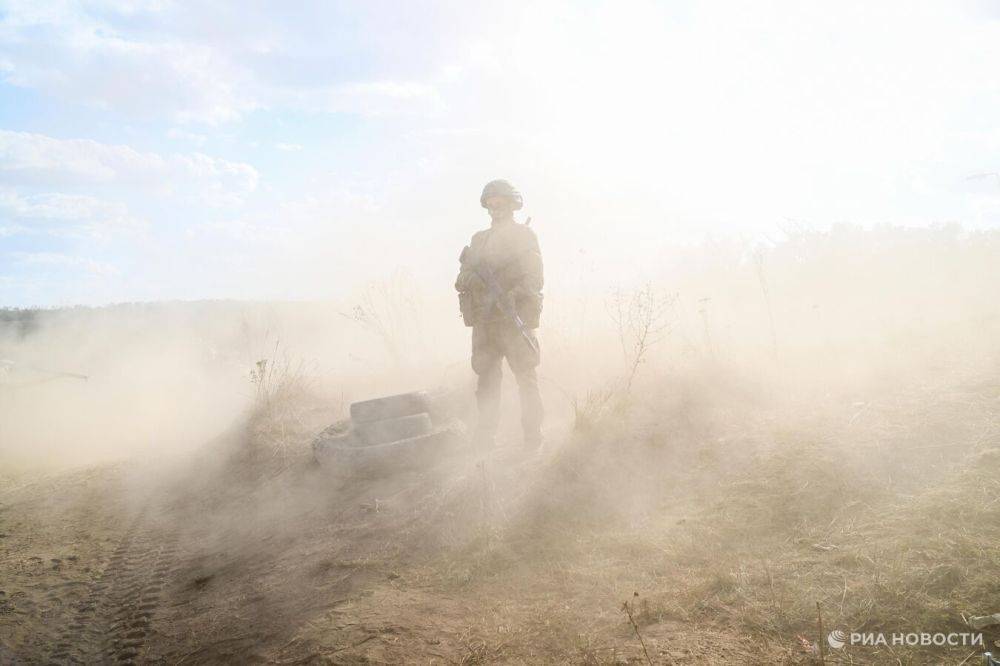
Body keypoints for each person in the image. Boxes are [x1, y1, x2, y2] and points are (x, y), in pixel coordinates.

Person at [455, 179, 544, 451]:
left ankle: (533, 439)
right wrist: (475, 280)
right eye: (491, 204)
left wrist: (514, 294)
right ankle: (484, 441)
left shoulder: (523, 236)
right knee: (486, 383)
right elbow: (461, 278)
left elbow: (535, 278)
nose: (496, 208)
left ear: (511, 204)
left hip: (513, 320)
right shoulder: (478, 240)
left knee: (526, 380)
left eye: (501, 203)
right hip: (485, 323)